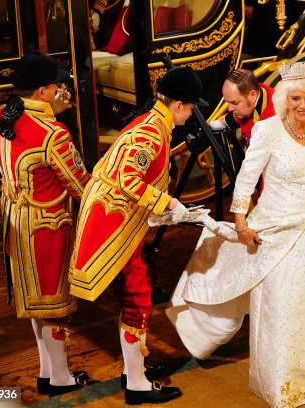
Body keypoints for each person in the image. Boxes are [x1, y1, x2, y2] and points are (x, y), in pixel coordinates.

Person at [167, 60, 305, 408]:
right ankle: (284, 384)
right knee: (282, 307)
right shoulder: (268, 130)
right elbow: (246, 180)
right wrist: (240, 224)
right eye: (296, 98)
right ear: (284, 97)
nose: (303, 105)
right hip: (276, 228)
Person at [68, 66, 207, 405]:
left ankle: (135, 372)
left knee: (136, 293)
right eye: (190, 108)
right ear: (177, 105)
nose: (190, 115)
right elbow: (129, 181)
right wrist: (167, 202)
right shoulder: (150, 133)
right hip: (114, 226)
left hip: (119, 222)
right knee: (137, 295)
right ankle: (136, 383)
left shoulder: (153, 124)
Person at [0, 51, 92, 396]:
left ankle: (48, 371)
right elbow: (81, 185)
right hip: (47, 226)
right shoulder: (53, 132)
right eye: (55, 86)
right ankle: (60, 377)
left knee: (35, 304)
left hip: (14, 222)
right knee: (55, 307)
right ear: (44, 91)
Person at [209, 68, 275, 147]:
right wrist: (215, 125)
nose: (229, 109)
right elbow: (233, 119)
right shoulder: (255, 96)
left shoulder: (275, 119)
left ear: (253, 95)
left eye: (234, 103)